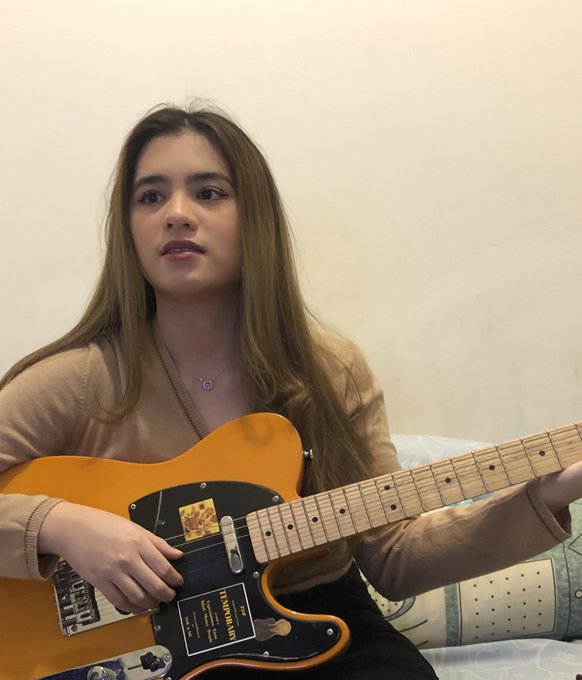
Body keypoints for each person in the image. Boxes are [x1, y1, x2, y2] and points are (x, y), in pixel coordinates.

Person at [0, 105, 580, 680]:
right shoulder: (80, 379)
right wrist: (62, 526)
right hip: (155, 639)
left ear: (255, 217)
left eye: (209, 193)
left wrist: (547, 494)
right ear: (127, 227)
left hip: (321, 617)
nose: (176, 214)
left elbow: (394, 557)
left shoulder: (332, 372)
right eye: (150, 196)